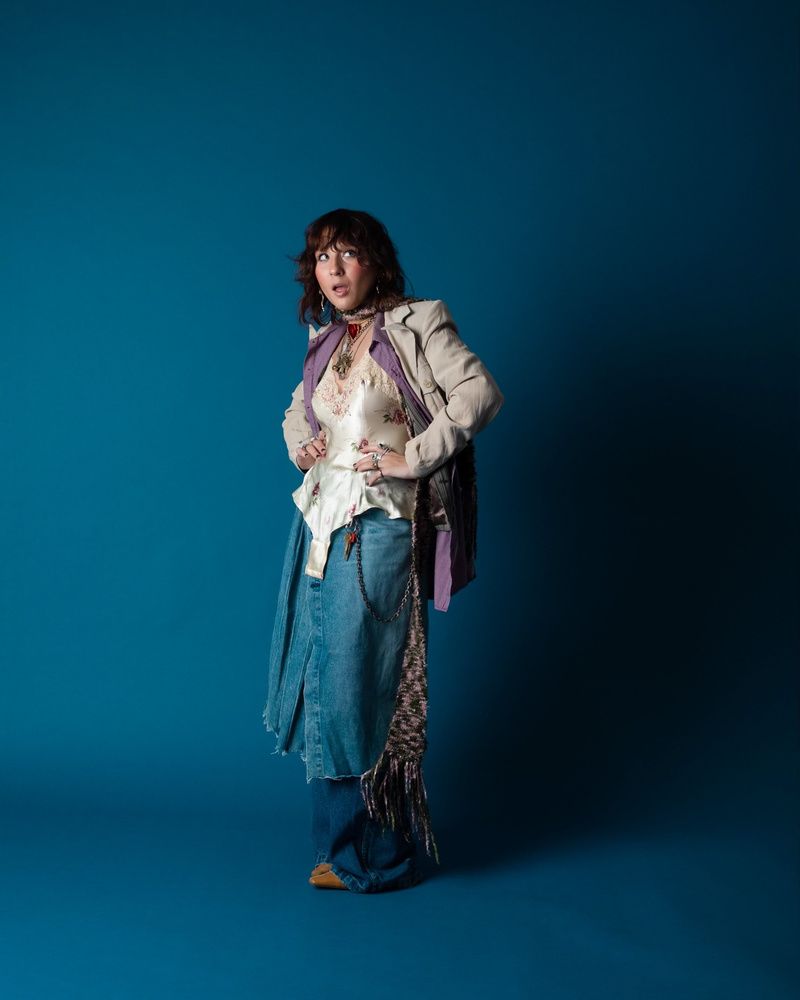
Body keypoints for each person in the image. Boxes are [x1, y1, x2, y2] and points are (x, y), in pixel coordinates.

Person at [262, 208, 503, 893]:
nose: (333, 270)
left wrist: (413, 459)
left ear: (376, 262)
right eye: (321, 257)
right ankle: (347, 845)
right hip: (318, 529)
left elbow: (478, 393)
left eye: (347, 255)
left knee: (360, 686)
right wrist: (302, 443)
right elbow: (297, 413)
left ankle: (371, 855)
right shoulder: (329, 342)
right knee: (326, 686)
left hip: (377, 530)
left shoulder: (417, 323)